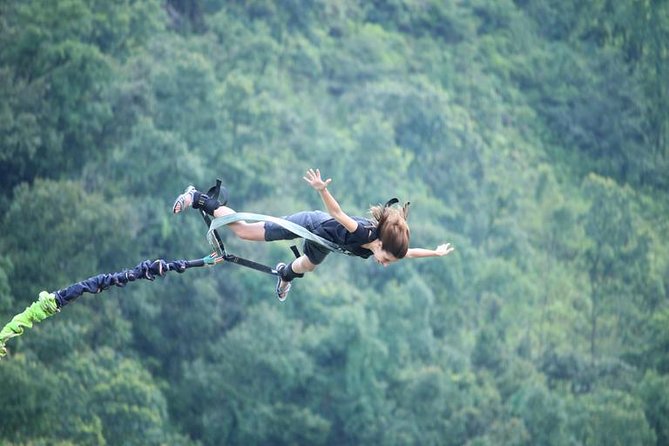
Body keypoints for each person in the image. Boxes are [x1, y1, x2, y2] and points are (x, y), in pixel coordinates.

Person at [172, 168, 454, 301]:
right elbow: (337, 214)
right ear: (380, 242)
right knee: (245, 232)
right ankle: (197, 197)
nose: (384, 262)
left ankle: (285, 275)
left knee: (306, 265)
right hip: (310, 225)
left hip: (324, 244)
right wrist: (322, 189)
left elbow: (410, 253)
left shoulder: (384, 247)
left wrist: (435, 252)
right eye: (385, 258)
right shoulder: (363, 232)